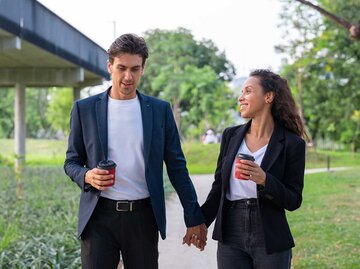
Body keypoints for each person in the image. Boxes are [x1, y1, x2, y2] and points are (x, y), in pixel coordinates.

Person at [64, 33, 207, 269]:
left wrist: (193, 215)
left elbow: (177, 167)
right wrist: (87, 176)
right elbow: (71, 162)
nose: (128, 77)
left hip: (143, 218)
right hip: (99, 217)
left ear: (143, 68)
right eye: (121, 68)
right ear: (109, 66)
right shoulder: (84, 109)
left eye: (135, 69)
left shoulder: (160, 111)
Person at [201, 69, 307, 269]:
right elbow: (218, 187)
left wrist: (265, 180)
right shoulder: (230, 136)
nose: (241, 97)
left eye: (248, 91)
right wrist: (199, 223)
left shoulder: (292, 144)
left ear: (268, 97)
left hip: (270, 235)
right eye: (241, 92)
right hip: (230, 232)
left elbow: (294, 200)